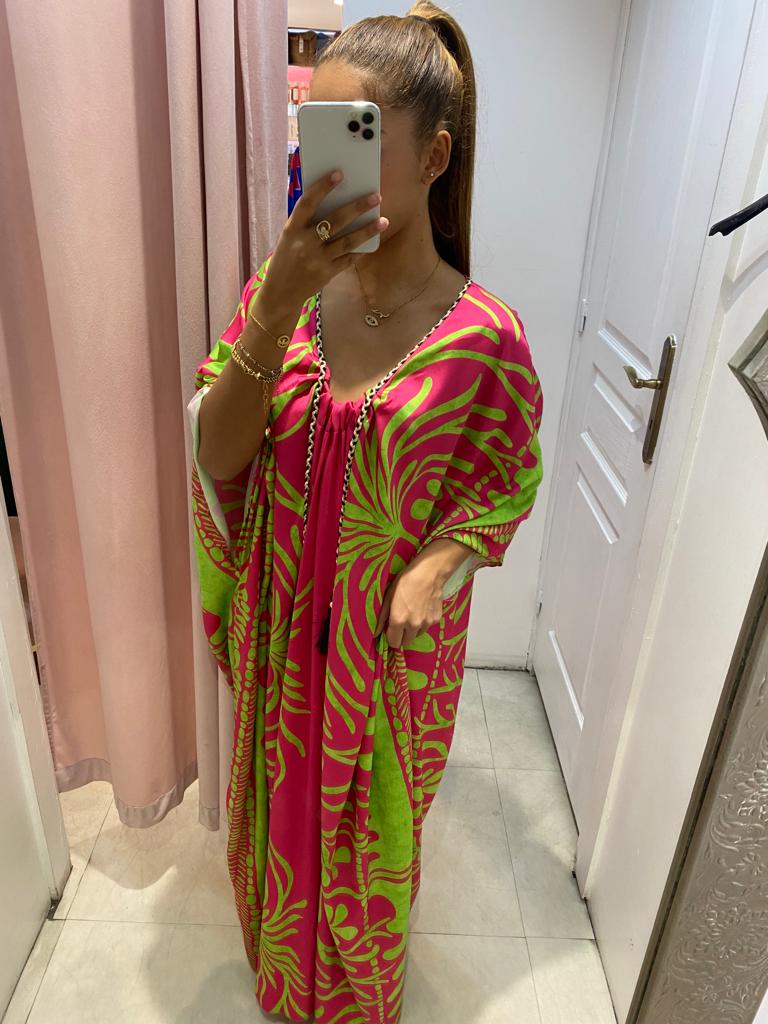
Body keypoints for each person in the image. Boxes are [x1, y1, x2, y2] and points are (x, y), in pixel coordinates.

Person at [186, 3, 544, 1022]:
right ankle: (282, 983)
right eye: (318, 136)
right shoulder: (284, 297)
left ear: (434, 157)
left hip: (383, 673)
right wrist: (274, 301)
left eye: (357, 138)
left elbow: (503, 485)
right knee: (274, 831)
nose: (324, 170)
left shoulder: (488, 342)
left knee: (364, 865)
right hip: (279, 647)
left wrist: (438, 564)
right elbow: (218, 456)